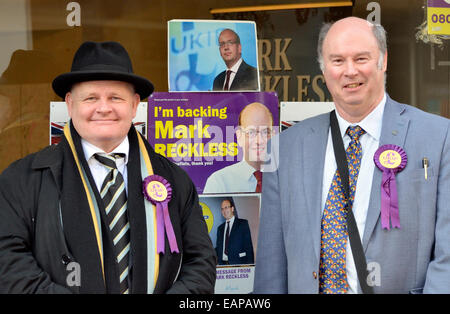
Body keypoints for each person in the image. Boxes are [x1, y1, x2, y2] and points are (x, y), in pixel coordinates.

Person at [0, 41, 217, 293]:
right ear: (70, 104)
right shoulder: (21, 180)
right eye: (91, 98)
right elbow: (8, 261)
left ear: (135, 105)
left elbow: (201, 262)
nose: (104, 108)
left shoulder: (174, 180)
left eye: (116, 97)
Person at [254, 17, 450, 294]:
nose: (350, 71)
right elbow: (271, 267)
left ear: (383, 61)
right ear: (323, 69)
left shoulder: (439, 137)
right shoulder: (284, 148)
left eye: (361, 58)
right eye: (337, 61)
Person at [203, 102, 274, 193]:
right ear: (239, 137)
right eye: (251, 133)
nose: (259, 141)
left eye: (265, 132)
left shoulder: (285, 180)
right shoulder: (219, 182)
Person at [215, 199, 254, 265]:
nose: (224, 210)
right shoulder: (220, 228)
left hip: (239, 264)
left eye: (226, 207)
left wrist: (250, 266)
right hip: (223, 266)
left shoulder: (242, 224)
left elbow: (248, 247)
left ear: (232, 208)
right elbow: (219, 248)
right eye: (222, 209)